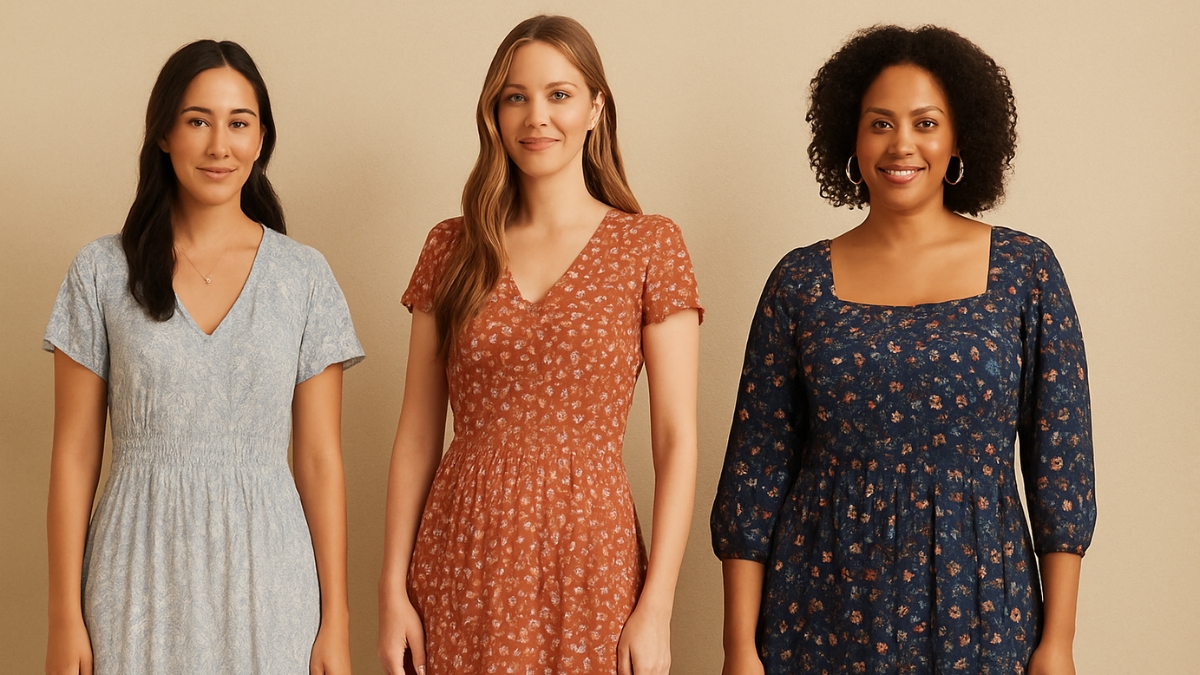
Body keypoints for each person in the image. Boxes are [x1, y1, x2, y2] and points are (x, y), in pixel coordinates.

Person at [711, 25, 1096, 675]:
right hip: (820, 609)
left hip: (981, 611)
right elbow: (755, 473)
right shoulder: (799, 282)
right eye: (880, 123)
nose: (902, 144)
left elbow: (1063, 467)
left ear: (959, 139)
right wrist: (738, 649)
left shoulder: (1025, 271)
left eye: (925, 122)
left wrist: (1058, 642)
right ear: (852, 139)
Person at [377, 15, 702, 675]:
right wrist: (391, 590)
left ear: (595, 108)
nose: (537, 116)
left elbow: (676, 440)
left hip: (592, 560)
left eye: (559, 94)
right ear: (495, 114)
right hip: (462, 553)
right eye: (515, 97)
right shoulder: (451, 246)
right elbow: (417, 433)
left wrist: (657, 605)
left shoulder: (649, 245)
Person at [44, 40, 363, 675]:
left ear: (261, 139)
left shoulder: (304, 277)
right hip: (133, 575)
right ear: (164, 133)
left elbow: (320, 460)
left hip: (272, 582)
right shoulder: (100, 272)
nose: (220, 145)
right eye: (198, 121)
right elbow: (75, 455)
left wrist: (336, 622)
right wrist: (63, 618)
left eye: (239, 123)